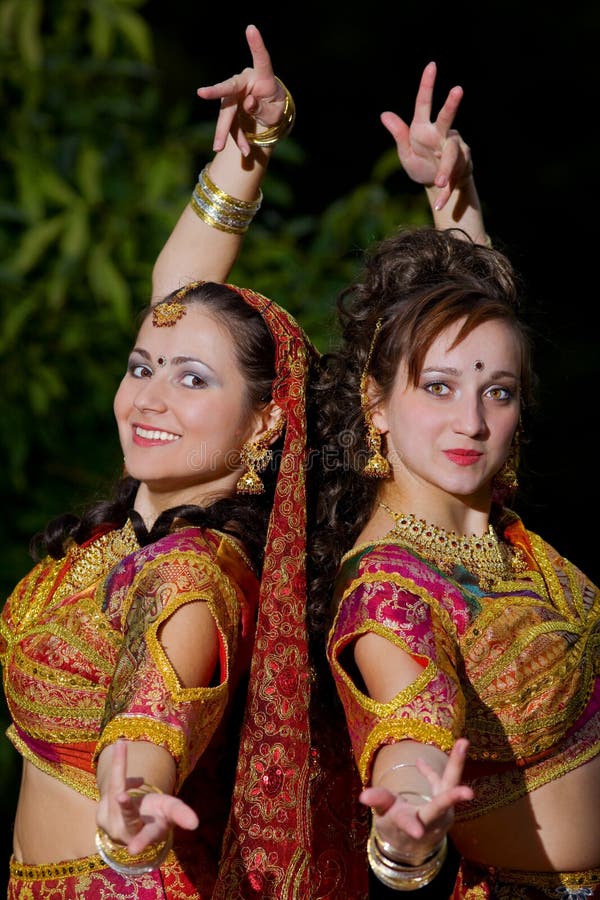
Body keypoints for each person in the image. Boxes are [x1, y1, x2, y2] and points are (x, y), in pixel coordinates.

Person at [0, 26, 336, 898]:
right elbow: (177, 298)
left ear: (266, 425)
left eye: (192, 380)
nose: (149, 395)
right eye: (141, 367)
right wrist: (249, 150)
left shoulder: (191, 570)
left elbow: (151, 707)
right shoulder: (141, 528)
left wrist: (133, 791)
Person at [308, 222, 600, 897]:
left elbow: (482, 323)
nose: (471, 420)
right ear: (375, 404)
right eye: (437, 387)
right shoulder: (388, 588)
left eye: (498, 392)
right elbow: (409, 739)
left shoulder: (496, 531)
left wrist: (458, 208)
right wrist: (405, 828)